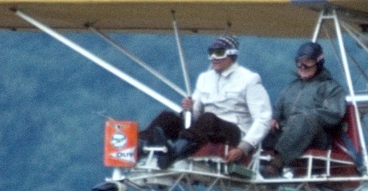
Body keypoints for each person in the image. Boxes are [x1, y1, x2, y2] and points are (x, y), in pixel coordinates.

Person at [140, 35, 272, 168]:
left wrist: (244, 147)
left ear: (232, 55)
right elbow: (195, 116)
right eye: (211, 53)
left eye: (219, 53)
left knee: (208, 118)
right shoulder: (205, 78)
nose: (213, 57)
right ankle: (138, 146)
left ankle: (174, 153)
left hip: (234, 132)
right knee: (166, 117)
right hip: (204, 129)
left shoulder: (249, 79)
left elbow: (263, 118)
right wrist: (189, 110)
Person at [262, 41, 347, 178]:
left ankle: (276, 164)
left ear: (318, 62)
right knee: (260, 121)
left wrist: (303, 117)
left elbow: (334, 115)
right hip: (286, 133)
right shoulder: (291, 87)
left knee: (303, 118)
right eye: (299, 62)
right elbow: (277, 108)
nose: (302, 66)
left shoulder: (331, 87)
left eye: (308, 62)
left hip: (316, 137)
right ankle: (241, 164)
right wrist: (274, 118)